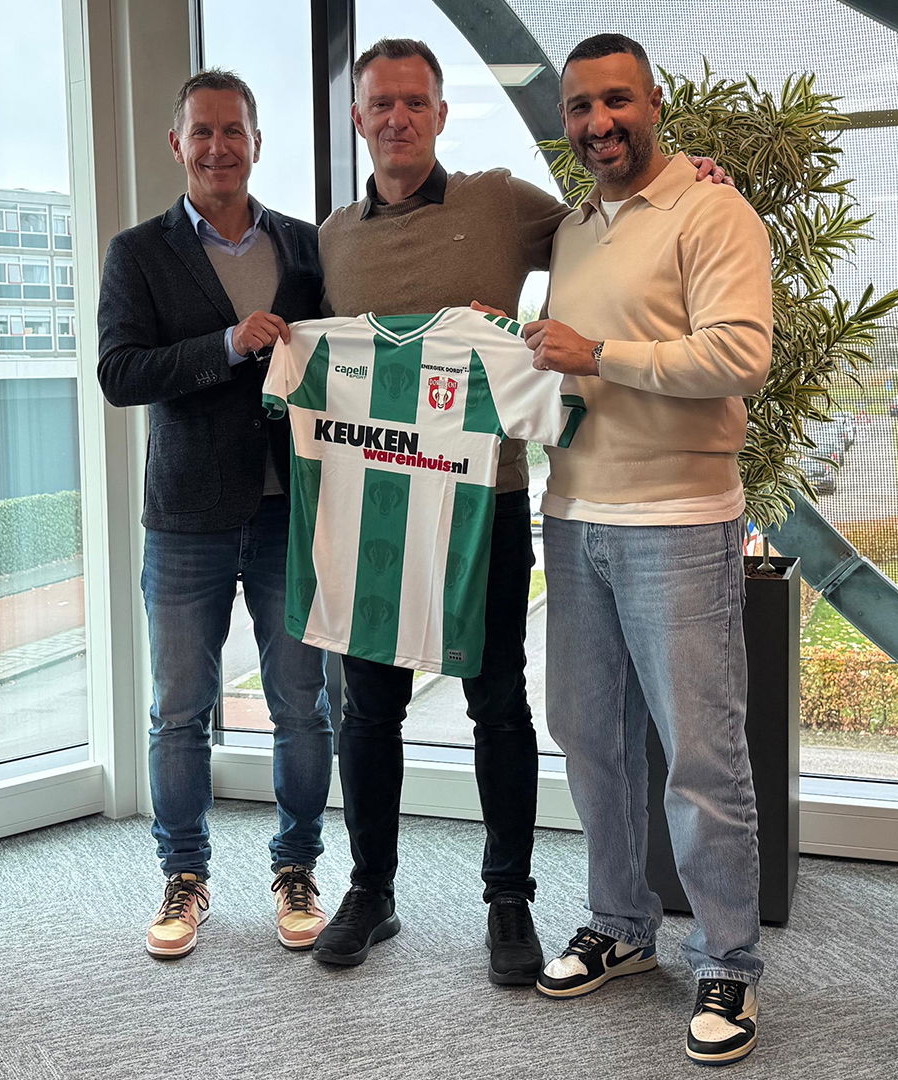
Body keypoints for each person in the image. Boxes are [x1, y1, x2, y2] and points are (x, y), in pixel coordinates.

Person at [305, 36, 729, 982]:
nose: (399, 119)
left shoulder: (499, 204)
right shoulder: (330, 239)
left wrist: (689, 175)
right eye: (382, 104)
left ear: (441, 114)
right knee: (367, 708)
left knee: (497, 705)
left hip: (484, 504)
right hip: (373, 509)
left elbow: (606, 217)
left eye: (416, 102)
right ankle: (371, 891)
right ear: (359, 118)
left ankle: (509, 900)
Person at [526, 33, 774, 1067]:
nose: (600, 123)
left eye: (617, 101)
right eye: (581, 107)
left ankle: (728, 959)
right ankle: (621, 925)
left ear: (655, 102)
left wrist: (599, 354)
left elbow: (741, 355)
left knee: (701, 757)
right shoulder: (573, 229)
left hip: (679, 519)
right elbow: (559, 360)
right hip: (574, 513)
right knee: (589, 738)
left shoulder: (713, 212)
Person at [96, 69, 333, 960]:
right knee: (180, 711)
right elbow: (120, 374)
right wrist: (228, 345)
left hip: (290, 513)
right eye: (203, 131)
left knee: (302, 706)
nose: (219, 146)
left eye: (235, 130)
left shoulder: (305, 246)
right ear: (177, 144)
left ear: (257, 143)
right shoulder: (137, 252)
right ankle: (184, 876)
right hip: (186, 518)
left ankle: (298, 868)